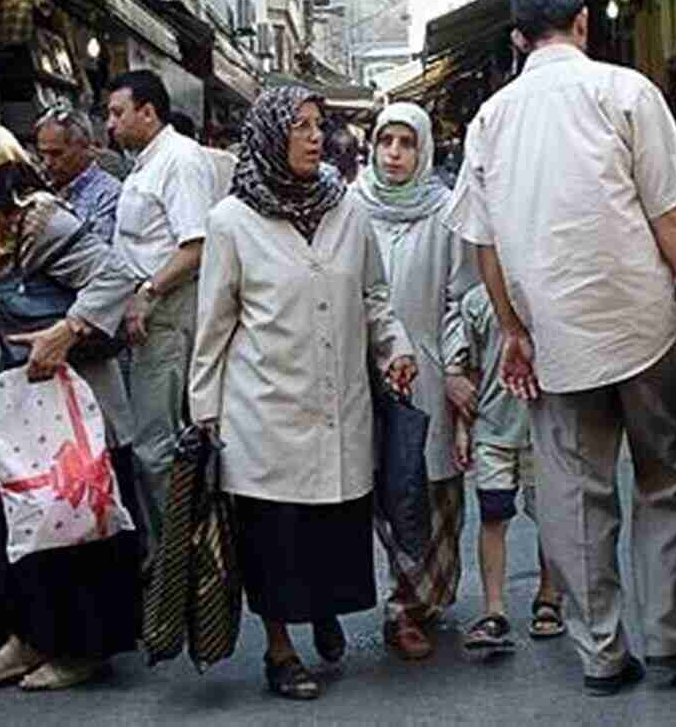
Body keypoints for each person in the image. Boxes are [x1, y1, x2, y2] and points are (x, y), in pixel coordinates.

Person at [444, 0, 676, 697]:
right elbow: (668, 211)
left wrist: (510, 329)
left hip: (552, 334)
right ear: (582, 23)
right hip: (642, 322)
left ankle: (601, 649)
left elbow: (484, 243)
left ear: (515, 39)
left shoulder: (491, 120)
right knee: (664, 475)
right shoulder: (626, 91)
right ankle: (668, 636)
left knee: (574, 488)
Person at [190, 88, 416, 701]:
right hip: (263, 410)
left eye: (319, 126)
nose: (316, 138)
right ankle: (280, 650)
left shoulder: (349, 212)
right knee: (276, 535)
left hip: (338, 402)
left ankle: (322, 608)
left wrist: (395, 349)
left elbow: (374, 298)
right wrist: (204, 410)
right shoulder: (231, 221)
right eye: (300, 127)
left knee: (334, 526)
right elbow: (214, 324)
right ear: (269, 136)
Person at [0, 124, 142, 691]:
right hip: (6, 409)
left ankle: (79, 649)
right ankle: (26, 638)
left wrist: (66, 331)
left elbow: (113, 275)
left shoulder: (41, 221)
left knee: (66, 528)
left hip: (60, 413)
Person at [352, 102, 477, 660]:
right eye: (386, 142)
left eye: (406, 143)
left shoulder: (446, 211)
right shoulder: (351, 208)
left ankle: (419, 600)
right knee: (380, 486)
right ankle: (396, 603)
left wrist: (454, 365)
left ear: (424, 149)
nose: (395, 155)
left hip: (425, 367)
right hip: (360, 372)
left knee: (430, 487)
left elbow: (459, 297)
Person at [106, 71, 221, 557]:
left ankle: (174, 561)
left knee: (156, 448)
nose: (110, 124)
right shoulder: (145, 163)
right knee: (148, 445)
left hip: (167, 314)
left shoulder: (179, 160)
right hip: (143, 315)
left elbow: (195, 245)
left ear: (147, 112)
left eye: (117, 112)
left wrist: (148, 293)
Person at [453, 285, 562, 654]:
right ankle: (493, 609)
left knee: (549, 518)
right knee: (492, 515)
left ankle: (549, 597)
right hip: (492, 426)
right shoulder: (477, 301)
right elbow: (470, 367)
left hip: (543, 426)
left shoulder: (546, 288)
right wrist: (463, 429)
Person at [34, 106, 122, 243]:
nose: (47, 163)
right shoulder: (42, 190)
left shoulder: (108, 194)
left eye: (56, 154)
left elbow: (96, 253)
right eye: (42, 154)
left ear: (86, 147)